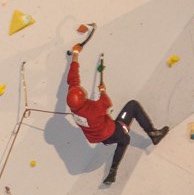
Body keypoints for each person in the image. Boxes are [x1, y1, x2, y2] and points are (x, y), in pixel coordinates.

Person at [66, 26, 167, 185]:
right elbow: (106, 102)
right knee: (129, 121)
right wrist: (102, 91)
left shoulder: (73, 103)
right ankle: (152, 135)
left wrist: (76, 54)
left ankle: (113, 170)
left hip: (97, 137)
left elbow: (73, 77)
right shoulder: (93, 109)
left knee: (120, 134)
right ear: (82, 97)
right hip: (111, 132)